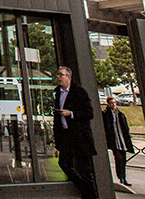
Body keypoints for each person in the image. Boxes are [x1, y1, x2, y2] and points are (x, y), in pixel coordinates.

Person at [53, 66, 98, 199]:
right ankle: (84, 189)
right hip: (66, 136)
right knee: (64, 164)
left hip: (79, 137)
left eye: (61, 75)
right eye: (58, 75)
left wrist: (71, 113)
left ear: (68, 77)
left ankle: (90, 195)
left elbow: (89, 113)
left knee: (85, 170)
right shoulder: (58, 93)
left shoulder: (79, 92)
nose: (59, 77)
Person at [103, 95, 133, 187]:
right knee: (118, 158)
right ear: (108, 104)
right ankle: (121, 177)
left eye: (114, 103)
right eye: (111, 103)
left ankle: (123, 177)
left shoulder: (120, 114)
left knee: (123, 159)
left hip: (122, 139)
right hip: (114, 140)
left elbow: (125, 127)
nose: (113, 104)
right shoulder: (105, 114)